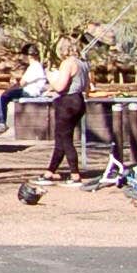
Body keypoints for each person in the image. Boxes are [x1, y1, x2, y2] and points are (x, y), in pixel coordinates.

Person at [43, 35, 92, 181]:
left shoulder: (67, 63)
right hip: (79, 101)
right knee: (61, 138)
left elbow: (60, 86)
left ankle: (74, 173)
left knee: (65, 140)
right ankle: (50, 171)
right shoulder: (83, 64)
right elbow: (87, 87)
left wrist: (49, 76)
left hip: (67, 103)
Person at [0, 42, 49, 135]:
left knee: (1, 97)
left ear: (28, 56)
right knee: (7, 94)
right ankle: (1, 122)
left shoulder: (34, 67)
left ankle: (1, 123)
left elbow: (22, 82)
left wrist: (13, 86)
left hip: (30, 92)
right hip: (32, 91)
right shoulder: (36, 66)